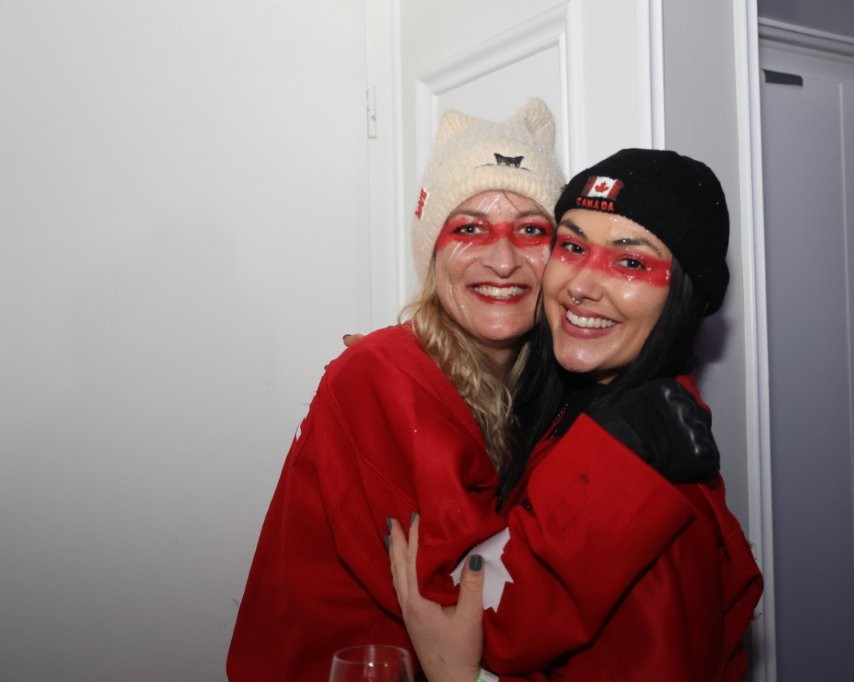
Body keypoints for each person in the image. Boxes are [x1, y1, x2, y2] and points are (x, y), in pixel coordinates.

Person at [227, 102, 715, 681]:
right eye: (468, 228)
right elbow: (477, 612)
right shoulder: (386, 376)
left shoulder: (546, 395)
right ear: (433, 253)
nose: (503, 260)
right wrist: (615, 457)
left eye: (531, 230)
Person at [388, 148, 764, 681]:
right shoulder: (563, 416)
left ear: (685, 298)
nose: (580, 286)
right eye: (572, 246)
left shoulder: (659, 506)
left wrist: (458, 677)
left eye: (631, 262)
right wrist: (401, 368)